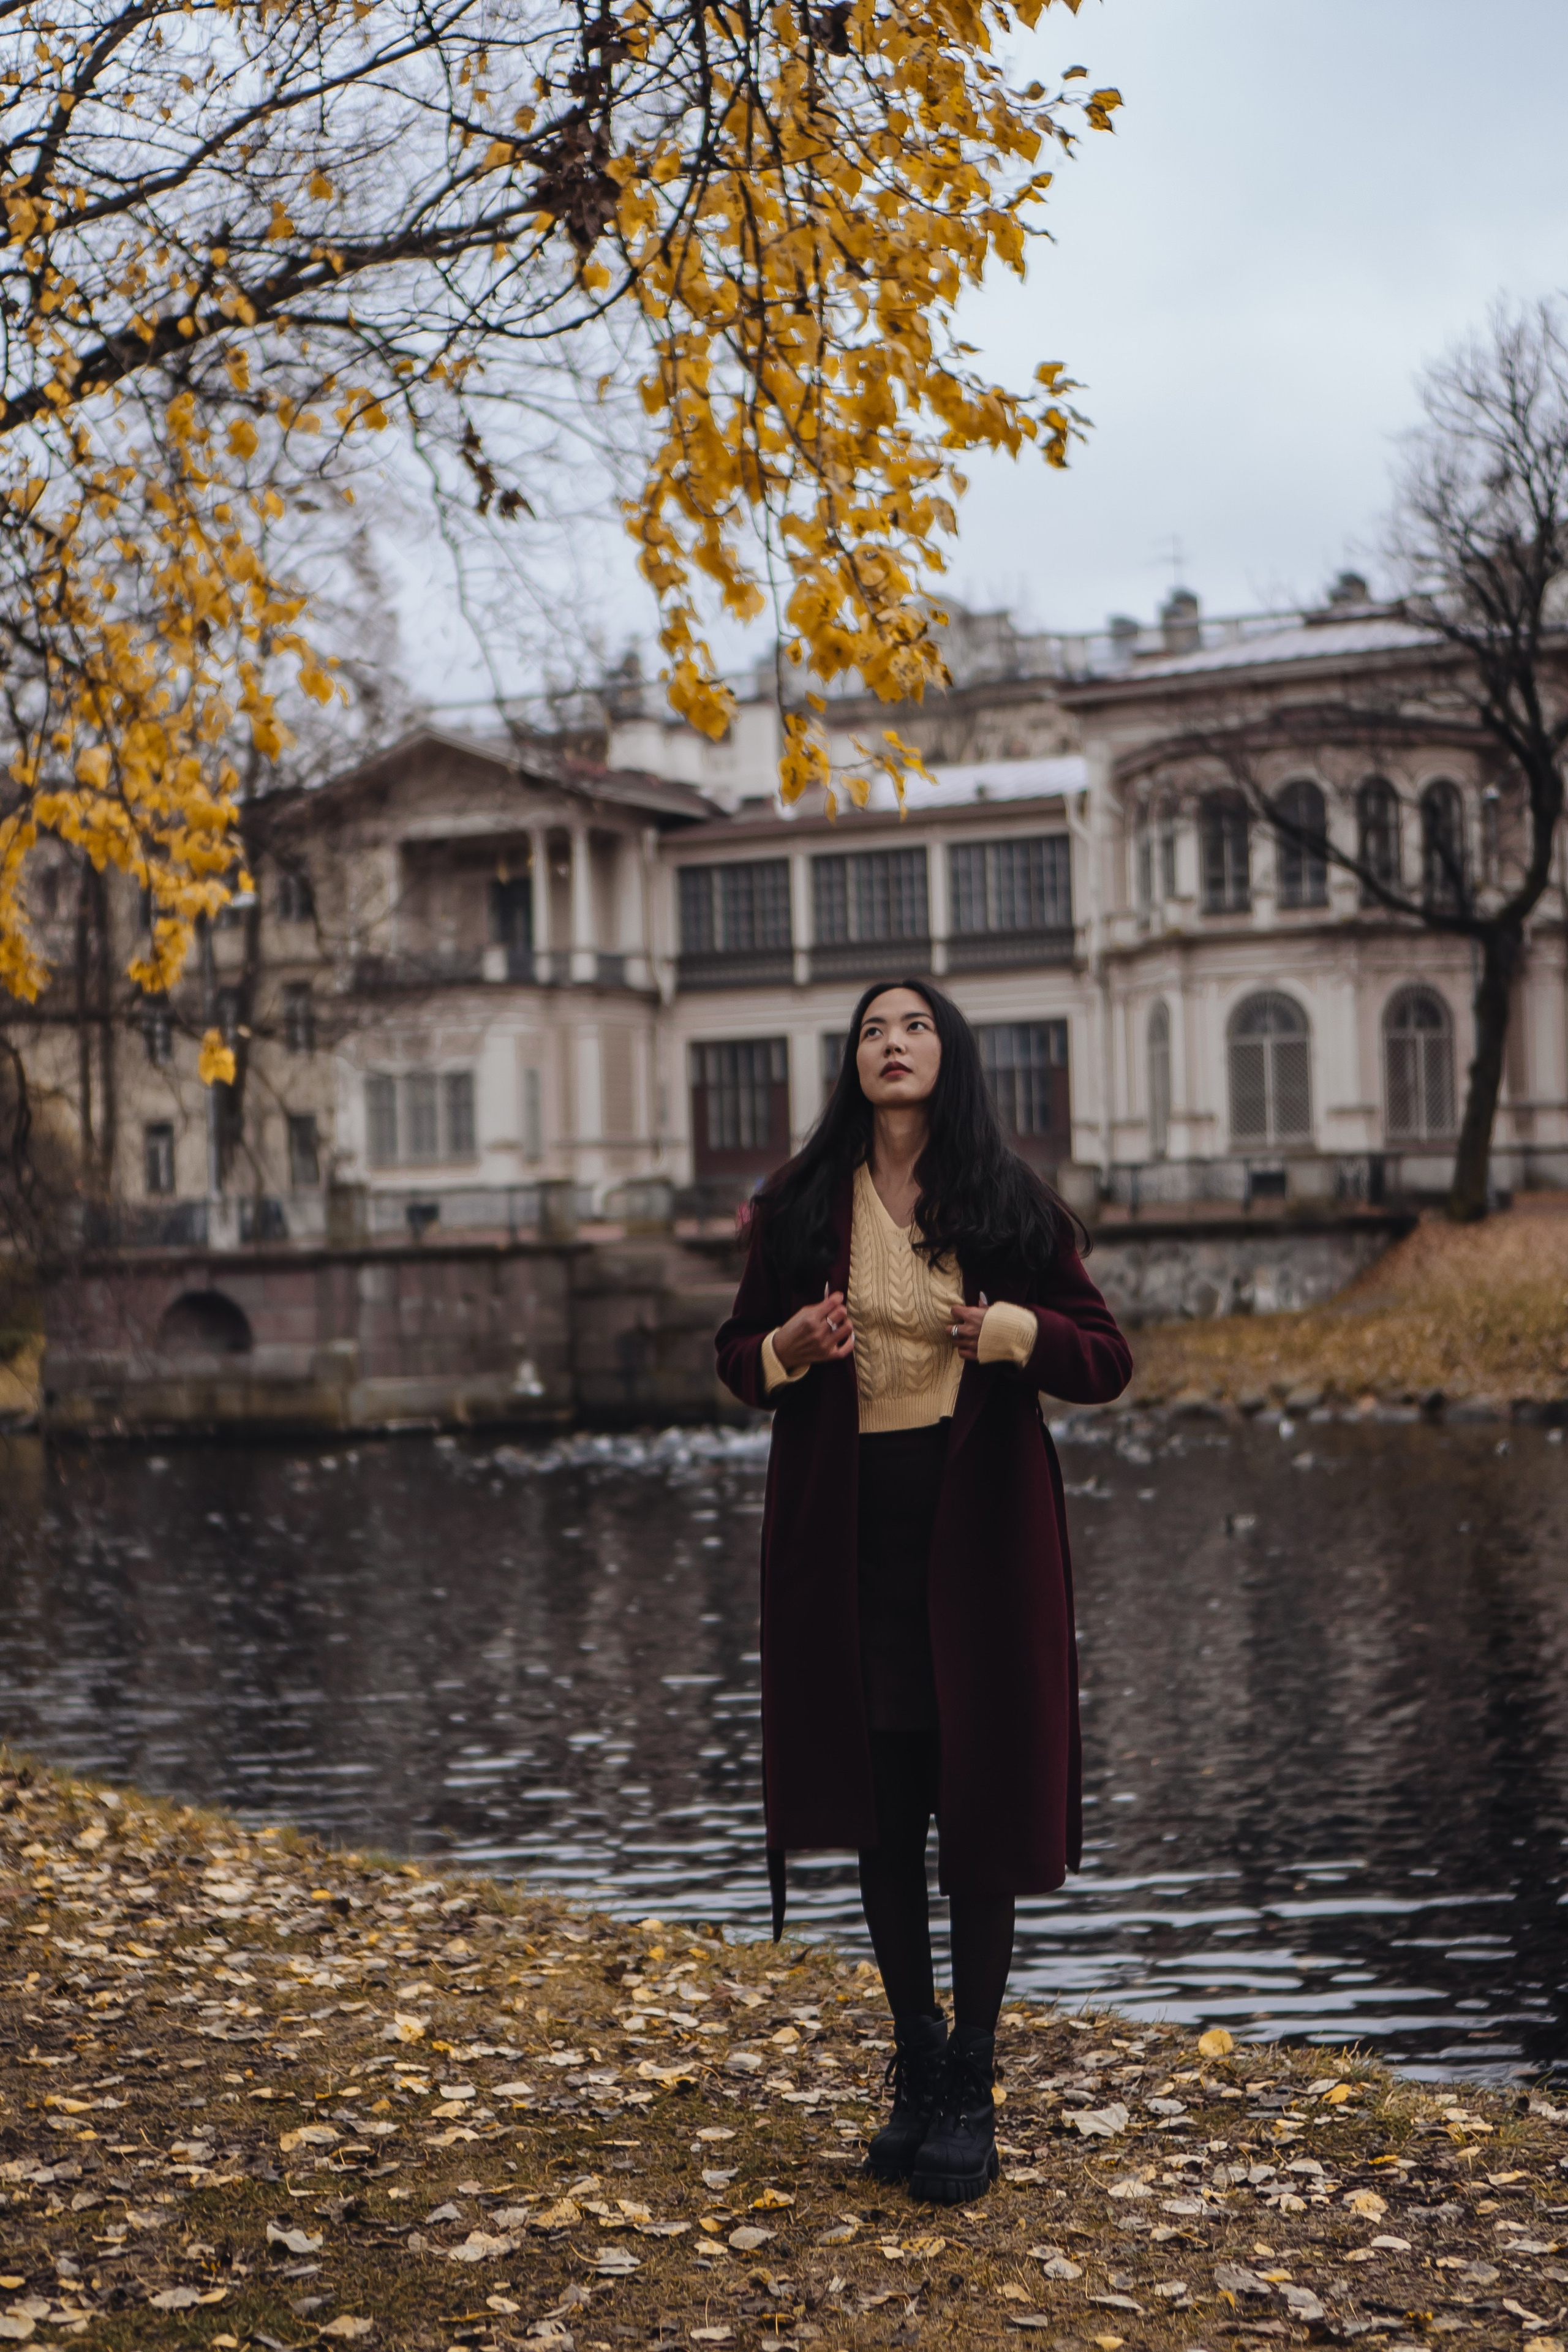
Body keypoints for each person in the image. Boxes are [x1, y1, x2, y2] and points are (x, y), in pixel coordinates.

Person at [715, 979, 1131, 2206]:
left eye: (914, 1028)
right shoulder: (799, 1207)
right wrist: (787, 1349)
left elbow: (1106, 1358)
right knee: (885, 1814)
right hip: (848, 1541)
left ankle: (972, 2079)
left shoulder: (1007, 1203)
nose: (891, 1045)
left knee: (980, 1810)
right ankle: (916, 2060)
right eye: (871, 1031)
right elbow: (736, 1358)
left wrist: (1014, 1333)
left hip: (983, 1540)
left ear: (949, 1057)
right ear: (851, 1063)